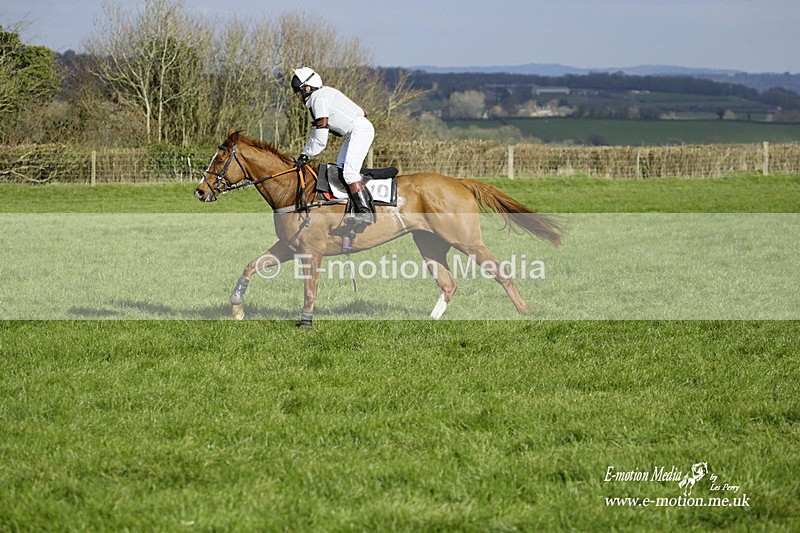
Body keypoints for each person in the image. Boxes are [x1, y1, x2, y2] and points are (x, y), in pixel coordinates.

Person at [291, 67, 375, 227]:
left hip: (359, 130)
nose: (297, 96)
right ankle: (351, 209)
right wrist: (305, 154)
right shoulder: (323, 94)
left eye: (298, 91)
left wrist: (305, 155)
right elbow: (361, 112)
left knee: (349, 173)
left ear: (307, 88)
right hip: (355, 130)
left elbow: (320, 140)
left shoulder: (318, 100)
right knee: (340, 170)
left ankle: (365, 213)